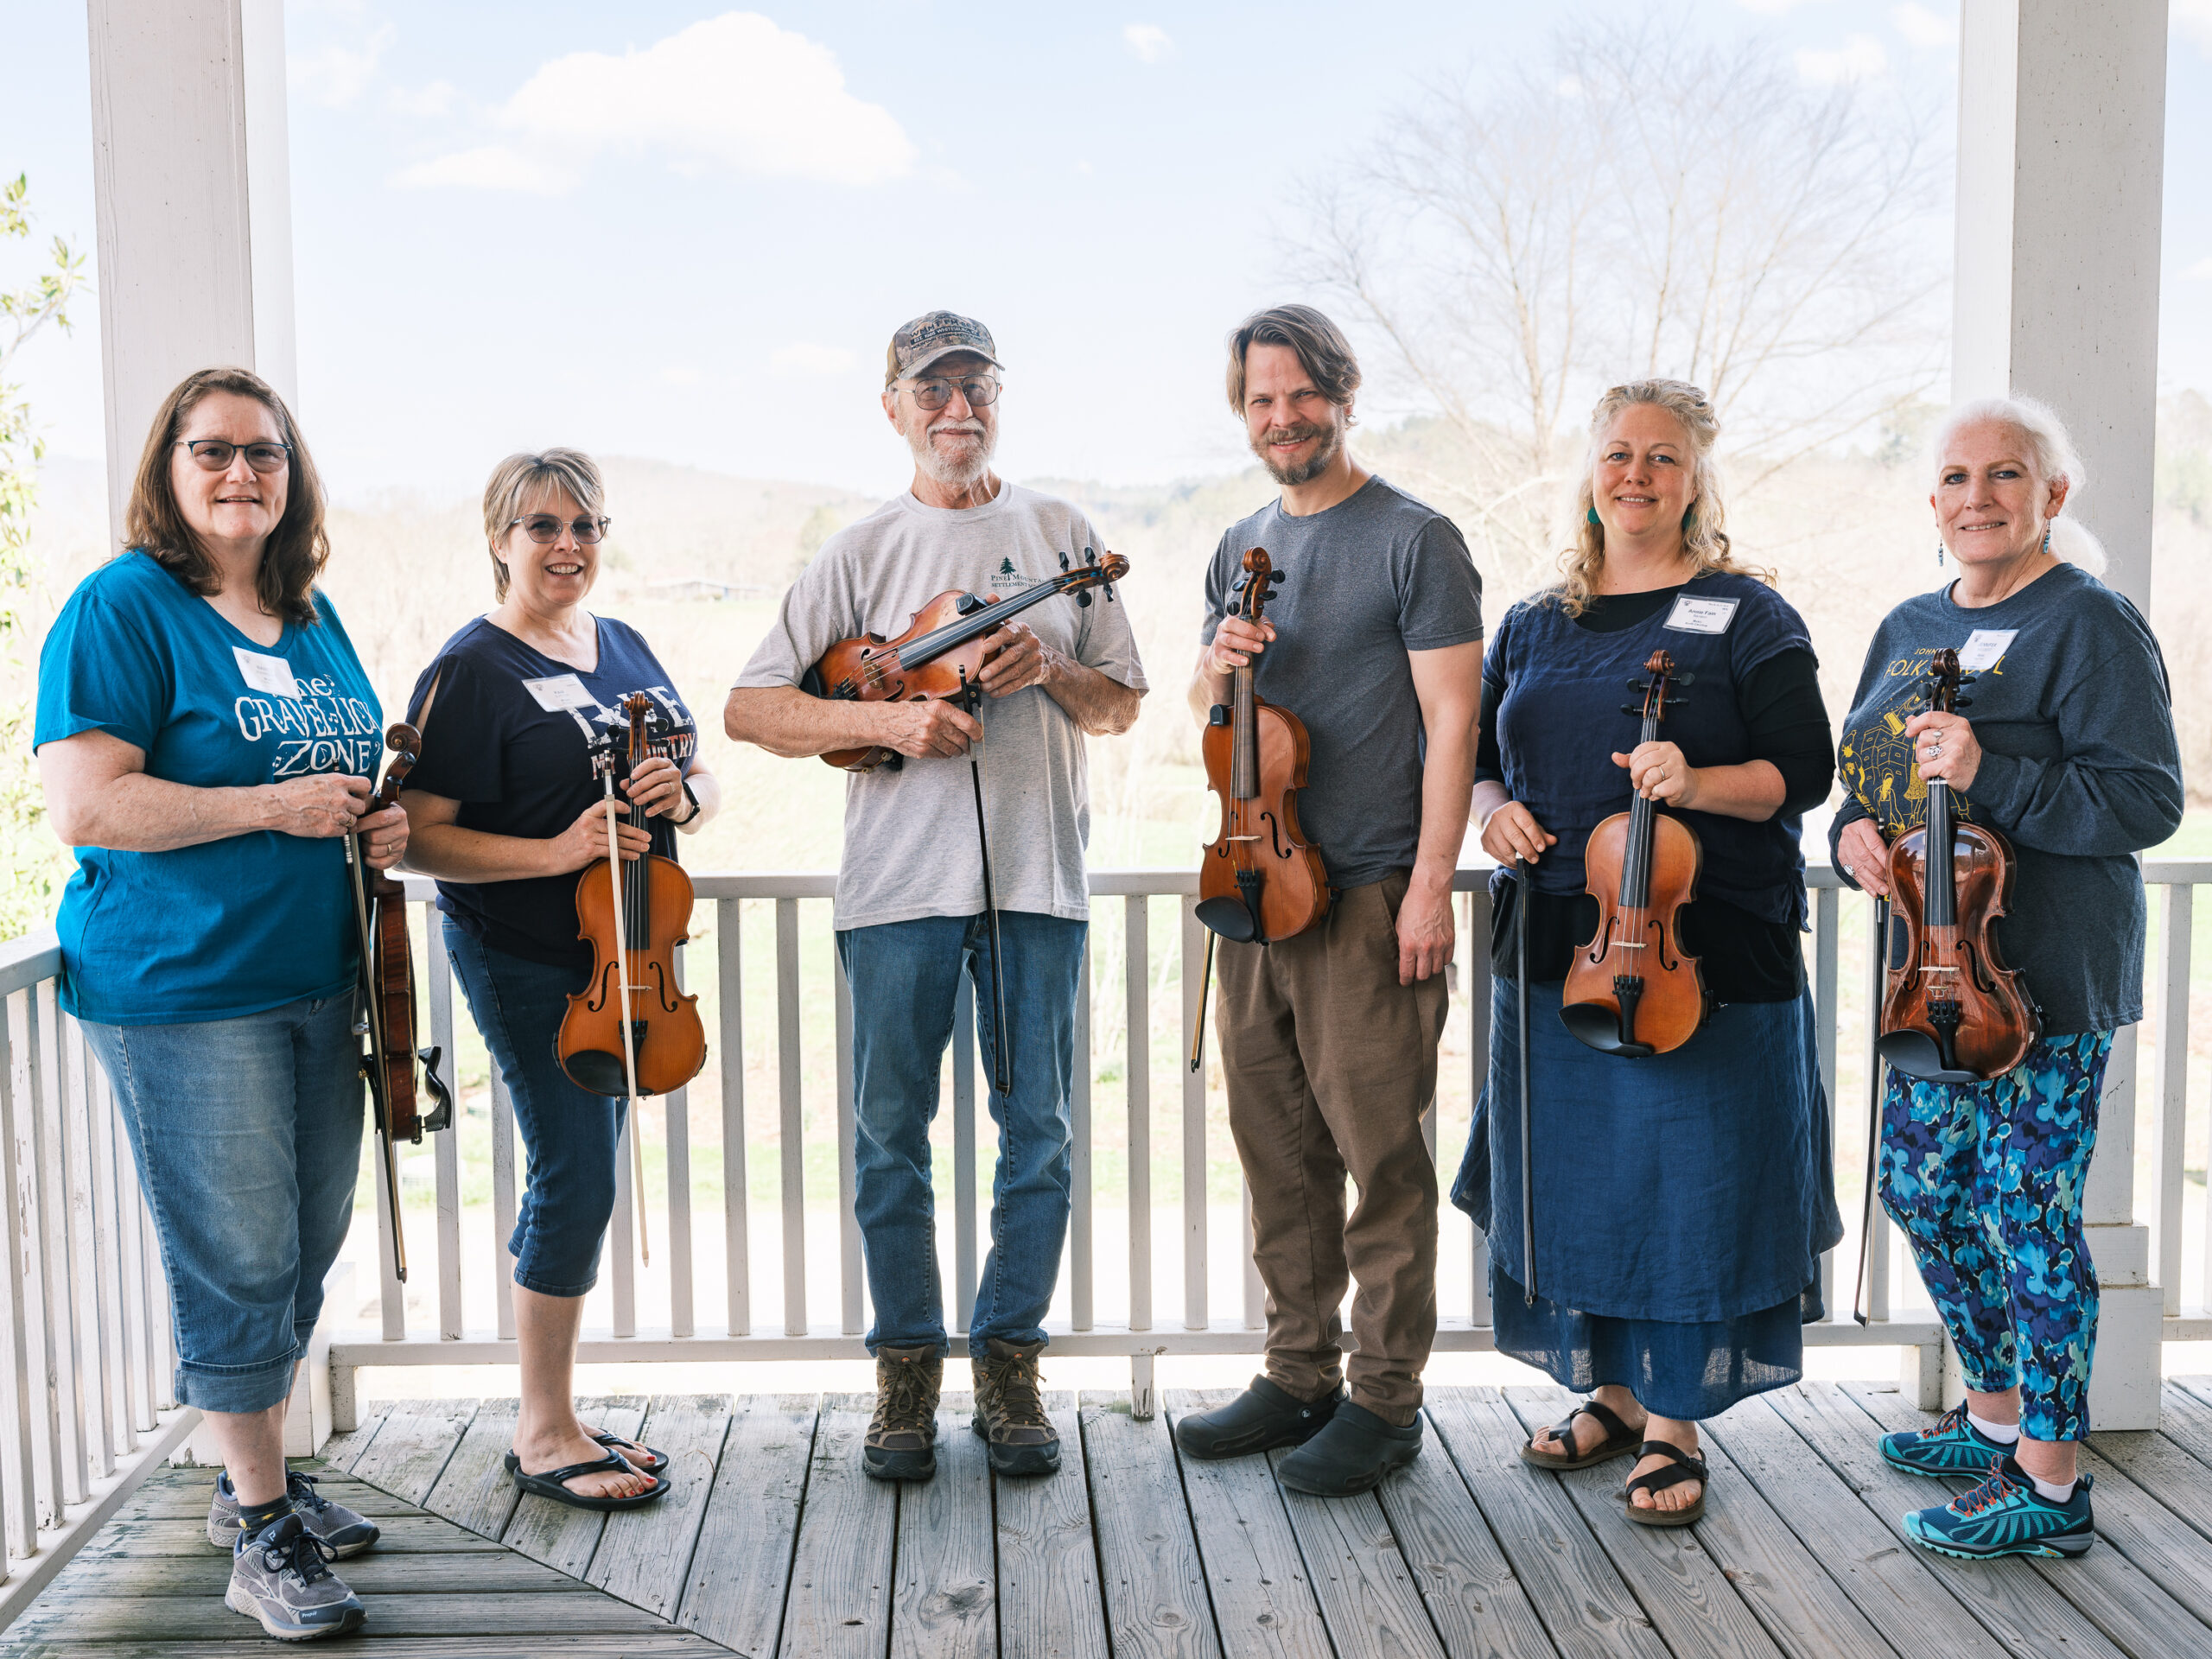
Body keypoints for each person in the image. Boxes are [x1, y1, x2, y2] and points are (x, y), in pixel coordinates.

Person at [725, 310, 1146, 1480]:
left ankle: (1010, 1369)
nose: (958, 410)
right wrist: (887, 717)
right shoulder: (857, 553)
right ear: (895, 406)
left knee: (1042, 1135)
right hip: (897, 891)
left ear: (1000, 398)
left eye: (978, 388)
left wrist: (1054, 669)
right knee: (888, 1138)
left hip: (1037, 885)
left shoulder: (1063, 533)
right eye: (933, 390)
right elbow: (753, 706)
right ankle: (905, 1379)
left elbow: (1121, 703)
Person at [35, 367, 401, 1640]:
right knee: (238, 1255)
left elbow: (341, 777)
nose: (241, 471)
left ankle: (256, 1484)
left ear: (292, 477)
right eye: (214, 450)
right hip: (186, 993)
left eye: (265, 452)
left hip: (315, 980)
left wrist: (376, 817)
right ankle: (257, 1524)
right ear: (170, 469)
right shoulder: (124, 608)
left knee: (305, 1240)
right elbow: (87, 805)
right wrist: (266, 807)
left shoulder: (309, 616)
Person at [1452, 378, 1841, 1527]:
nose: (1637, 475)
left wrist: (1697, 782)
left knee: (1689, 1184)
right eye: (1619, 454)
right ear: (1592, 471)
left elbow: (1801, 773)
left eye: (1663, 458)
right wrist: (1492, 812)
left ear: (1696, 479)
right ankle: (1613, 1395)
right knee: (1583, 1180)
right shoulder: (1534, 622)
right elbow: (1481, 757)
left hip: (1700, 951)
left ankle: (1674, 1424)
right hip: (1559, 946)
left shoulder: (1747, 613)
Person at [1831, 395, 2181, 1560]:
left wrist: (1994, 772)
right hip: (1930, 974)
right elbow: (1862, 789)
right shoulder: (1908, 624)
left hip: (2047, 982)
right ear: (1931, 499)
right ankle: (1991, 1413)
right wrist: (1850, 841)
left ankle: (2052, 1477)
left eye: (2005, 474)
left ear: (2051, 496)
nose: (1976, 495)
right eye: (1954, 476)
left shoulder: (2091, 624)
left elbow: (2145, 802)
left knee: (2027, 1211)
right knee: (1925, 1191)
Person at [1173, 304, 1482, 1497]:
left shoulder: (1415, 539)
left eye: (1302, 395)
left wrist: (1427, 892)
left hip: (1364, 895)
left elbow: (1454, 722)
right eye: (1260, 400)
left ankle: (1383, 1402)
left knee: (1379, 1159)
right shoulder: (1238, 542)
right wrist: (1214, 665)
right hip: (1253, 890)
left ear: (1343, 397)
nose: (1281, 418)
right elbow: (1209, 716)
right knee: (1276, 1152)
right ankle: (1295, 1371)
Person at [399, 448, 718, 1513]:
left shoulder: (621, 643)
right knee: (574, 1175)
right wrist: (556, 851)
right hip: (529, 956)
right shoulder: (470, 670)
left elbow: (695, 772)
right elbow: (418, 842)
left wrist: (689, 792)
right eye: (541, 527)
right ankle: (541, 1430)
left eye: (584, 526)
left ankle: (561, 1412)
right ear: (499, 538)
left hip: (629, 957)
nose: (566, 546)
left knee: (578, 1171)